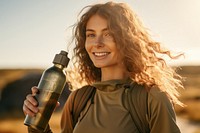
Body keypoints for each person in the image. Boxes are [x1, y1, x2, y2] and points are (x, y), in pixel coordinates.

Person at [23, 1, 184, 133]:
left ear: (127, 39)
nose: (97, 43)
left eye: (108, 34)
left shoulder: (151, 98)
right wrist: (37, 122)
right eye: (91, 35)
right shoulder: (78, 99)